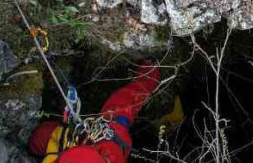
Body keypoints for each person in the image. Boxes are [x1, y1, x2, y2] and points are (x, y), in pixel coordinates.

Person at [29, 63, 161, 163]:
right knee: (122, 106)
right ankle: (150, 71)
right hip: (107, 144)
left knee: (40, 135)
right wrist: (150, 74)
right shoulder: (111, 144)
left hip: (71, 146)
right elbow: (127, 101)